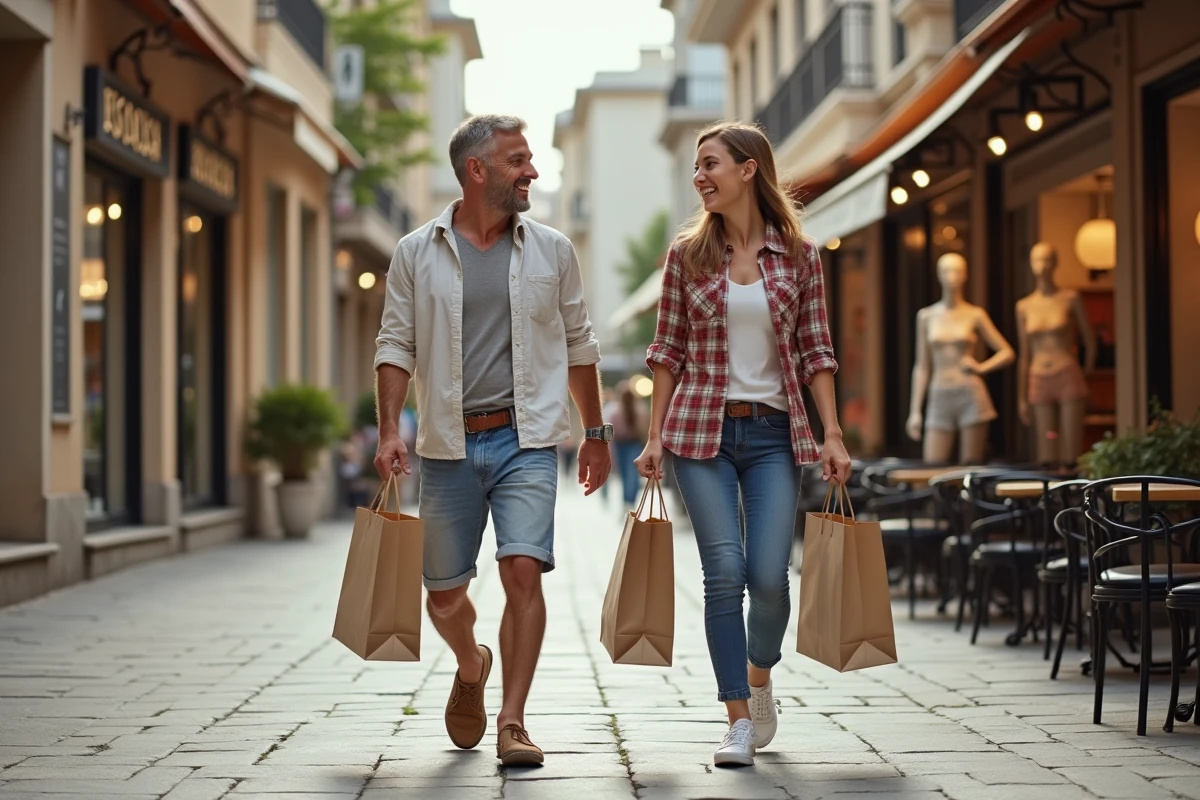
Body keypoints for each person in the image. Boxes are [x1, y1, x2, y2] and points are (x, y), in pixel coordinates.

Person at [373, 114, 613, 767]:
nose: (531, 171)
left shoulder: (552, 250)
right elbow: (395, 343)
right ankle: (471, 660)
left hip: (527, 439)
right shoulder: (416, 253)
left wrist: (593, 432)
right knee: (444, 598)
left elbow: (579, 344)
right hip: (448, 444)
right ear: (477, 170)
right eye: (517, 160)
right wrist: (390, 427)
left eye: (530, 159)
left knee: (523, 571)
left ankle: (512, 721)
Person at [635, 122, 852, 768]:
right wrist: (652, 437)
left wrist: (831, 433)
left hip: (772, 436)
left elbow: (817, 350)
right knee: (723, 574)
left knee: (770, 577)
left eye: (711, 164)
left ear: (749, 169)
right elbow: (665, 353)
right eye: (697, 167)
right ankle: (735, 717)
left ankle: (759, 677)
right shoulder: (686, 256)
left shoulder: (800, 255)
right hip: (700, 436)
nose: (699, 176)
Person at [607, 380, 648, 510]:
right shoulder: (640, 410)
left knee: (625, 475)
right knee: (632, 474)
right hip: (634, 444)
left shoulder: (615, 412)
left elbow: (611, 433)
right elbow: (645, 430)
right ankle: (630, 500)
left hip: (621, 446)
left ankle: (627, 501)